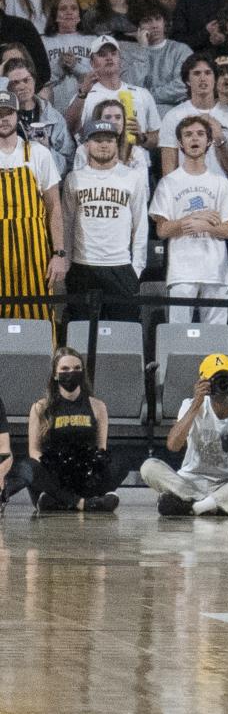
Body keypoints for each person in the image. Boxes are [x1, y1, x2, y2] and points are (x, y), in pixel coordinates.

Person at [140, 353, 228, 516]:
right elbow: (173, 446)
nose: (222, 385)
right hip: (191, 482)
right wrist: (196, 403)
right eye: (216, 380)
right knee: (149, 467)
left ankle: (193, 506)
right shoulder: (190, 405)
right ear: (204, 383)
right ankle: (218, 504)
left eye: (227, 378)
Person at [149, 114, 228, 324]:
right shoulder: (168, 183)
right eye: (188, 135)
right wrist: (193, 219)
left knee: (215, 335)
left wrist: (205, 226)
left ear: (209, 141)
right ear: (180, 143)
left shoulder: (220, 182)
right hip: (182, 271)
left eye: (200, 134)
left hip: (215, 270)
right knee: (178, 332)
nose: (194, 139)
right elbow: (162, 230)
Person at [62, 117, 148, 321]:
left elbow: (141, 225)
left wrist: (137, 267)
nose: (103, 144)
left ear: (117, 144)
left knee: (122, 334)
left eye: (109, 140)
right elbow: (67, 224)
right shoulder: (74, 178)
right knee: (80, 331)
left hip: (120, 265)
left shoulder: (132, 177)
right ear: (86, 145)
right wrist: (67, 263)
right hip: (83, 265)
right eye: (97, 139)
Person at [18, 348, 120, 513]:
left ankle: (58, 502)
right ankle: (82, 502)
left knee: (119, 460)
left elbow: (101, 447)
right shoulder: (40, 407)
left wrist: (86, 466)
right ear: (55, 374)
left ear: (82, 373)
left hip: (83, 470)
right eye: (65, 369)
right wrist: (54, 466)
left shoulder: (98, 406)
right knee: (27, 466)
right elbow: (34, 451)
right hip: (54, 471)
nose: (71, 373)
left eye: (76, 368)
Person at [0, 90, 66, 319]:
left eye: (8, 113)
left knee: (37, 314)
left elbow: (54, 207)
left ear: (17, 115)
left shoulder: (38, 154)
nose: (3, 119)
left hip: (34, 251)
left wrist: (58, 253)